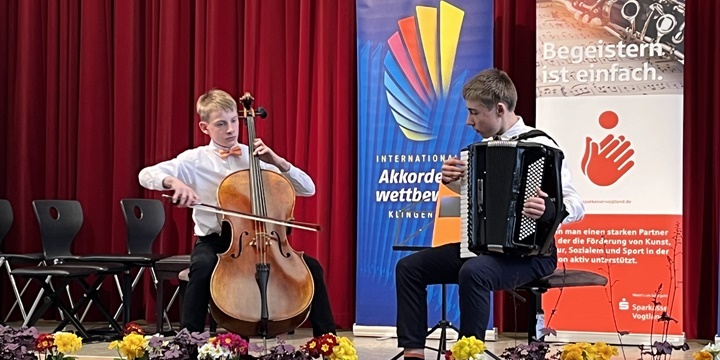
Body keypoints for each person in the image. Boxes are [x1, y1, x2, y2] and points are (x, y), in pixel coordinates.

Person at [395, 68, 585, 359]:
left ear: (499, 109)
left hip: (532, 256)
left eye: (474, 113)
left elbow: (576, 204)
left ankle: (467, 354)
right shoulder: (479, 151)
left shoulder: (543, 147)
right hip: (482, 251)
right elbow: (478, 199)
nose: (469, 121)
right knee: (410, 268)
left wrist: (549, 210)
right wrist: (452, 181)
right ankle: (413, 353)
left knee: (475, 271)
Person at [139, 89, 336, 337]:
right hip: (216, 241)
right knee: (202, 266)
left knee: (312, 267)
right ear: (205, 127)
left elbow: (308, 188)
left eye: (234, 121)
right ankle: (188, 341)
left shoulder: (256, 156)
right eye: (221, 124)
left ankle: (328, 343)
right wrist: (173, 183)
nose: (231, 129)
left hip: (267, 241)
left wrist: (277, 161)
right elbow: (145, 174)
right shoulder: (195, 160)